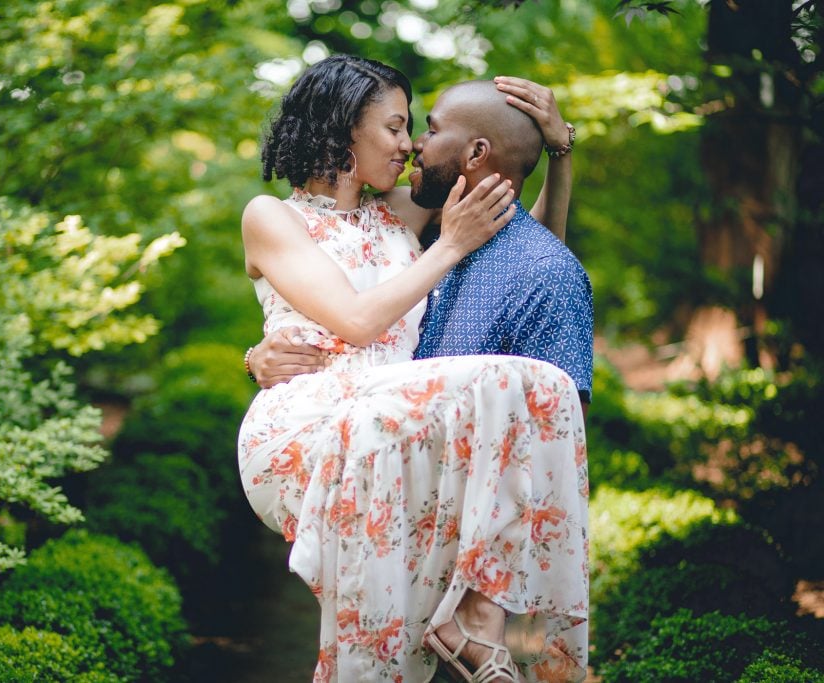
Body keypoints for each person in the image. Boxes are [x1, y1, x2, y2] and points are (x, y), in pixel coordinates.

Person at [238, 54, 589, 683]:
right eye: (395, 127)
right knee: (513, 380)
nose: (408, 145)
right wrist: (449, 244)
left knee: (386, 624)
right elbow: (356, 320)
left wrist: (560, 155)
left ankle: (465, 625)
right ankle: (479, 620)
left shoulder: (402, 212)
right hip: (311, 425)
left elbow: (529, 258)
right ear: (342, 127)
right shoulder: (272, 217)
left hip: (396, 426)